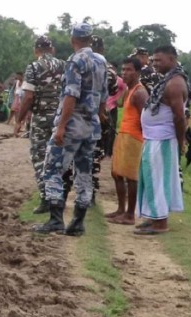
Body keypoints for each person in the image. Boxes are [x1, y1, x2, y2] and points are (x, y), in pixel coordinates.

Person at [34, 23, 108, 236]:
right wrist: (99, 116)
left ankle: (56, 219)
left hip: (73, 124)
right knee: (84, 173)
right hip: (91, 125)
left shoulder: (75, 61)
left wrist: (62, 126)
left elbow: (70, 95)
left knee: (52, 169)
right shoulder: (101, 61)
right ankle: (78, 222)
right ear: (90, 39)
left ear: (72, 39)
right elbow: (104, 96)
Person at [15, 35, 71, 214]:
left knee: (40, 157)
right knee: (59, 157)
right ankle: (60, 197)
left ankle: (46, 199)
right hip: (61, 118)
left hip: (40, 119)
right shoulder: (64, 65)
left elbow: (28, 97)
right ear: (52, 49)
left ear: (36, 50)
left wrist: (19, 120)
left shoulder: (33, 67)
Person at [135, 45, 187, 235]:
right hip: (153, 138)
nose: (154, 63)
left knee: (158, 179)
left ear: (172, 59)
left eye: (159, 60)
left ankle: (160, 223)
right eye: (153, 60)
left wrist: (180, 141)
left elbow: (179, 117)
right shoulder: (168, 79)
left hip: (162, 139)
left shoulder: (175, 83)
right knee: (150, 177)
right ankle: (152, 217)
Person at [105, 58, 148, 225]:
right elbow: (119, 103)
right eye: (123, 70)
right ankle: (121, 209)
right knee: (116, 173)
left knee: (131, 177)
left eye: (129, 70)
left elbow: (146, 119)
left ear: (137, 72)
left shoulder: (139, 92)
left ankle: (130, 214)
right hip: (124, 134)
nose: (124, 73)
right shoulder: (130, 90)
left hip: (134, 138)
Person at [90, 35, 119, 205]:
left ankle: (77, 188)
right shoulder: (110, 71)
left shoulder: (79, 63)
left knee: (77, 154)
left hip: (79, 116)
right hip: (100, 116)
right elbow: (113, 91)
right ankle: (91, 192)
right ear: (102, 49)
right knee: (94, 154)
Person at [105, 66, 127, 157]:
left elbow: (125, 88)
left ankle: (109, 151)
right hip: (103, 107)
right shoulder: (103, 78)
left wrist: (119, 99)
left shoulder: (119, 80)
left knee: (111, 129)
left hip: (112, 107)